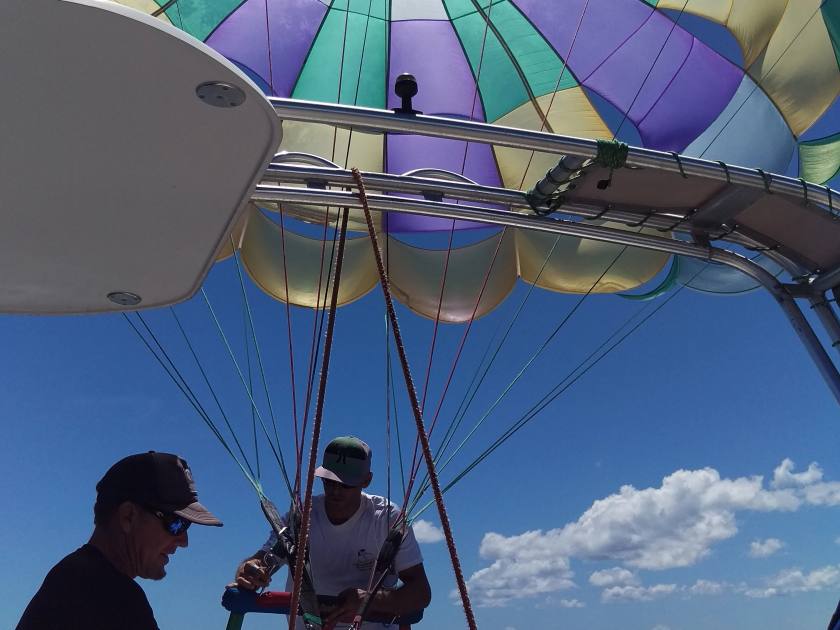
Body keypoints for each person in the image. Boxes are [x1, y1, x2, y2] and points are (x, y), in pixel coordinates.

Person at [234, 436, 431, 629]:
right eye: (329, 481)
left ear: (367, 480)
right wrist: (249, 572)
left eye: (346, 484)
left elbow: (420, 592)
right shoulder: (301, 518)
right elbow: (261, 562)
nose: (336, 490)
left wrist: (369, 600)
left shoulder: (386, 519)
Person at [17, 451, 223, 630]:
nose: (184, 540)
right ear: (128, 516)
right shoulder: (107, 595)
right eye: (176, 523)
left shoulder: (72, 577)